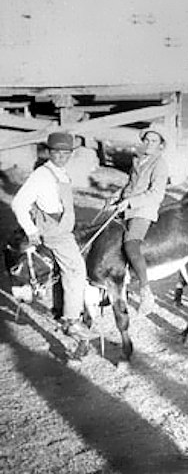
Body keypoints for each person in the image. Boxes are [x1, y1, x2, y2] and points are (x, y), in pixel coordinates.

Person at [11, 132, 90, 339]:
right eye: (57, 152)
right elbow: (18, 203)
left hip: (62, 227)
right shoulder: (42, 175)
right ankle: (72, 320)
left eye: (66, 153)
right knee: (76, 270)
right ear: (48, 152)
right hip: (54, 231)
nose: (62, 156)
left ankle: (60, 308)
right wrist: (31, 230)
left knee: (65, 268)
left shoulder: (60, 172)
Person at [114, 125, 170, 315]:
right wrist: (117, 196)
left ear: (161, 145)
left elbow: (156, 194)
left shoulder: (160, 164)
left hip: (144, 209)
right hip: (128, 206)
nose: (149, 144)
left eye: (154, 141)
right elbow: (130, 185)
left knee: (131, 245)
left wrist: (130, 202)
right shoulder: (138, 161)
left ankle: (146, 292)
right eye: (146, 140)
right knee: (111, 239)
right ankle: (120, 284)